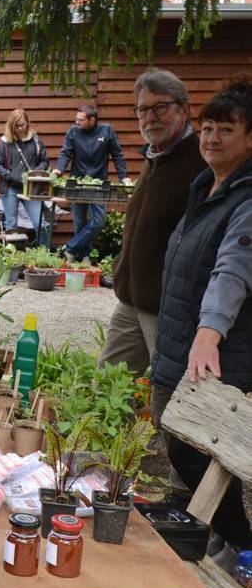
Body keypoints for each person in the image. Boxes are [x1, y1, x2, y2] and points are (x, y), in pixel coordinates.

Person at [151, 75, 252, 560]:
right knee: (179, 447)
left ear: (250, 139)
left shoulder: (247, 202)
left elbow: (232, 269)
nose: (211, 138)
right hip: (177, 348)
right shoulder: (206, 189)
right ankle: (207, 540)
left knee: (199, 454)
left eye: (225, 130)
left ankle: (237, 549)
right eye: (207, 127)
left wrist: (208, 334)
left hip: (211, 355)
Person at [99, 70, 206, 376]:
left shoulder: (200, 164)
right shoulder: (154, 156)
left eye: (161, 107)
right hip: (132, 300)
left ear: (183, 110)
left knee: (169, 393)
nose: (150, 117)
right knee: (106, 386)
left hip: (167, 308)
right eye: (143, 109)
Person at [51, 105, 131, 260]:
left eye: (80, 119)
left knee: (98, 222)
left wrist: (124, 177)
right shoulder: (73, 132)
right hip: (77, 183)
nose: (76, 122)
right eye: (76, 119)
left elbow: (118, 155)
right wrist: (58, 170)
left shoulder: (106, 131)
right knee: (80, 223)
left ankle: (70, 247)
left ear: (92, 120)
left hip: (99, 184)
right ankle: (84, 256)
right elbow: (65, 153)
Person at [0, 108, 48, 242]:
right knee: (11, 226)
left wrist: (37, 172)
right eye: (17, 126)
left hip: (31, 188)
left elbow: (44, 161)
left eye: (23, 124)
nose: (21, 128)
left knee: (41, 224)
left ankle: (43, 255)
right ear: (12, 126)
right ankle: (12, 257)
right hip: (10, 188)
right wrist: (12, 176)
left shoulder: (36, 141)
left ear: (27, 123)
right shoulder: (4, 142)